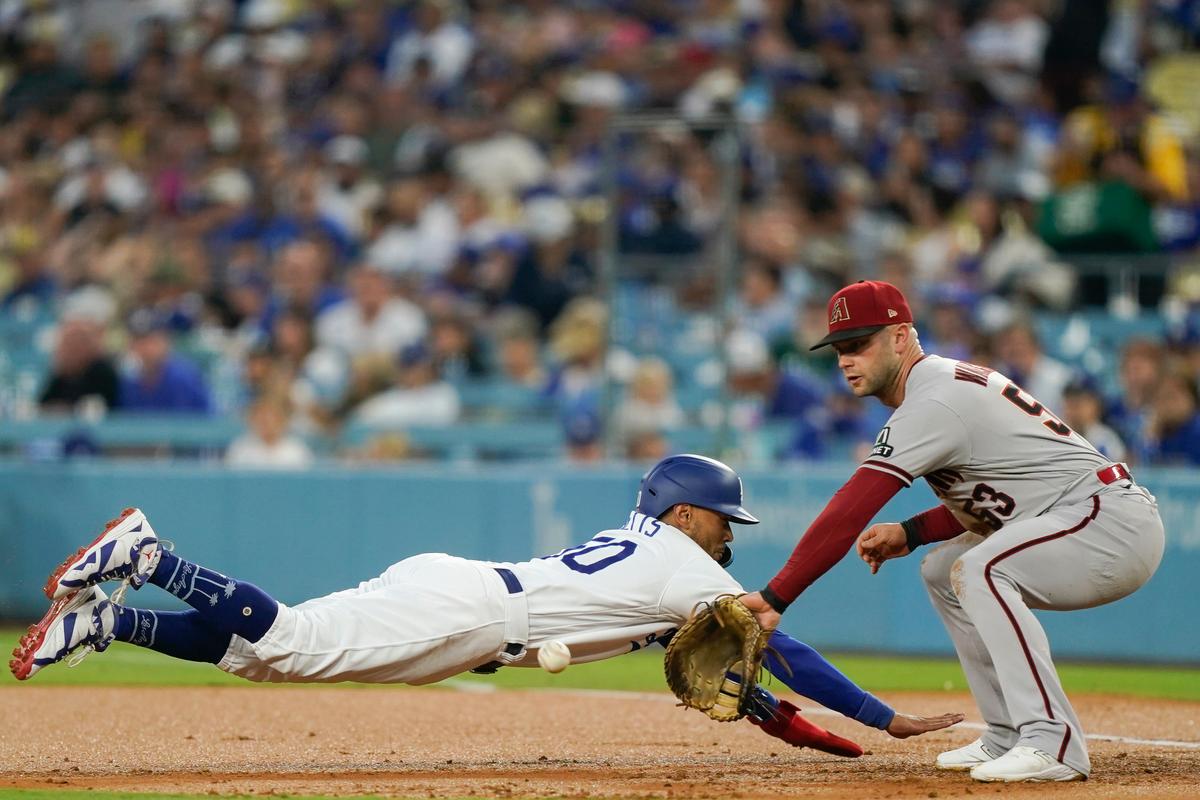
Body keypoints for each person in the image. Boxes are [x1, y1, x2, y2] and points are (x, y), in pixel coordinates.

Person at [11, 454, 960, 755]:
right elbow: (781, 651)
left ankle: (112, 619)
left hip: (459, 595)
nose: (730, 533)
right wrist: (883, 720)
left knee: (256, 656)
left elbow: (745, 681)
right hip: (471, 618)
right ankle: (151, 556)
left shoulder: (656, 555)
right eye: (723, 518)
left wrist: (817, 739)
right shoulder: (685, 563)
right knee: (289, 639)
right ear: (685, 512)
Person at [740, 281, 1165, 783]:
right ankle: (1008, 732)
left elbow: (851, 506)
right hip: (1073, 514)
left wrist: (778, 595)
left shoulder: (934, 399)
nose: (846, 360)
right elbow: (1002, 497)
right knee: (943, 570)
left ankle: (1053, 742)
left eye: (859, 344)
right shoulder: (940, 387)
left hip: (1108, 521)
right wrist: (913, 531)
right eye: (839, 349)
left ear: (901, 337)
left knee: (982, 568)